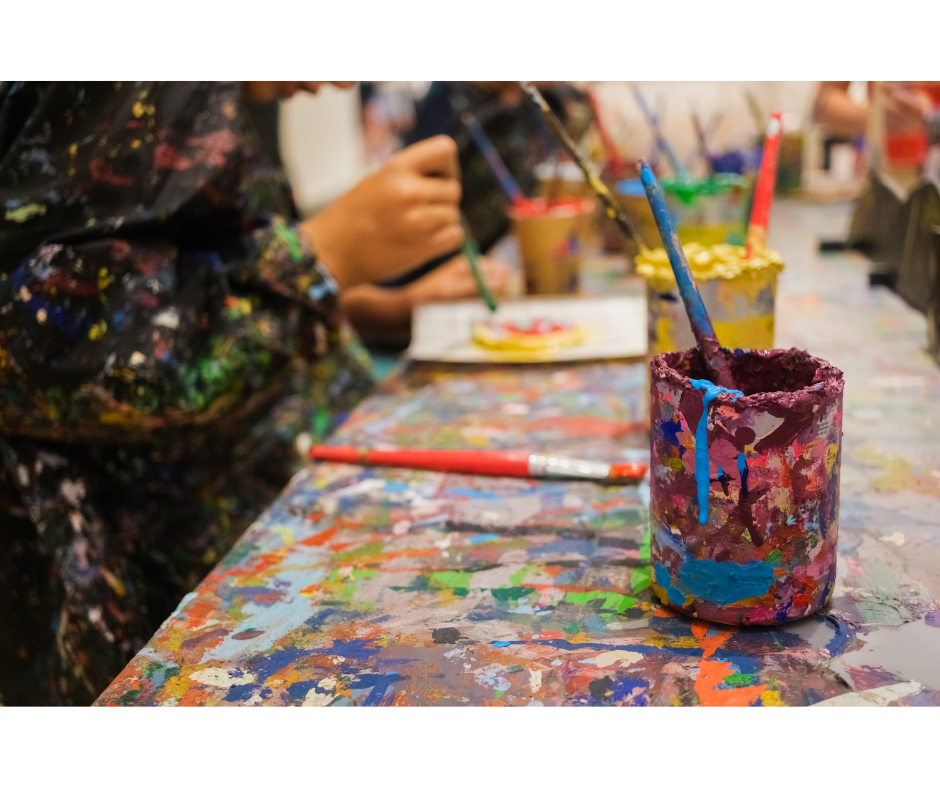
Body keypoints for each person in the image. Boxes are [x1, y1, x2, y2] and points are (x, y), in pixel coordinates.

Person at [0, 80, 478, 704]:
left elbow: (193, 258)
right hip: (158, 617)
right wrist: (320, 256)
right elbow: (43, 347)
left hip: (292, 544)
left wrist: (354, 304)